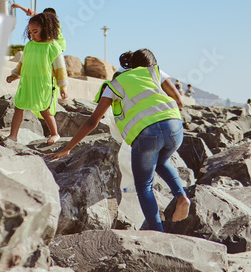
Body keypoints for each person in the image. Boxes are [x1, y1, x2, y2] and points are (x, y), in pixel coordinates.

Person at [48, 49, 190, 232]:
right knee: (161, 161)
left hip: (147, 134)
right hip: (175, 128)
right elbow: (179, 101)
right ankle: (181, 196)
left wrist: (68, 148)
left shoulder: (114, 84)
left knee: (143, 186)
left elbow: (93, 121)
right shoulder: (155, 71)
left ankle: (158, 232)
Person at [6, 11, 68, 144]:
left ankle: (55, 134)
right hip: (27, 83)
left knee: (44, 109)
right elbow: (22, 63)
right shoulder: (29, 46)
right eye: (30, 32)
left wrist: (63, 87)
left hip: (43, 84)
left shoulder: (53, 47)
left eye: (35, 31)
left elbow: (60, 69)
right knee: (19, 106)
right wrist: (14, 75)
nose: (32, 35)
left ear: (45, 29)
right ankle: (13, 135)